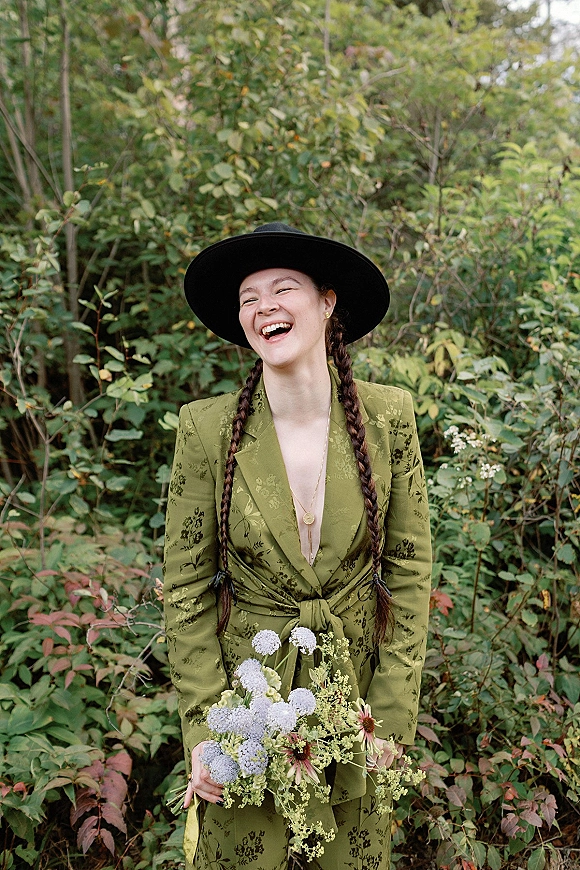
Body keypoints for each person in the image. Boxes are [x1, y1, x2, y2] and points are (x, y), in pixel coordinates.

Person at [163, 223, 432, 870]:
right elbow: (185, 589)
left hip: (354, 701)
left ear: (327, 302)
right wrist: (205, 730)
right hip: (246, 710)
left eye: (283, 289)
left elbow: (410, 573)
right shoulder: (206, 429)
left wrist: (389, 720)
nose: (265, 307)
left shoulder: (389, 416)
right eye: (249, 298)